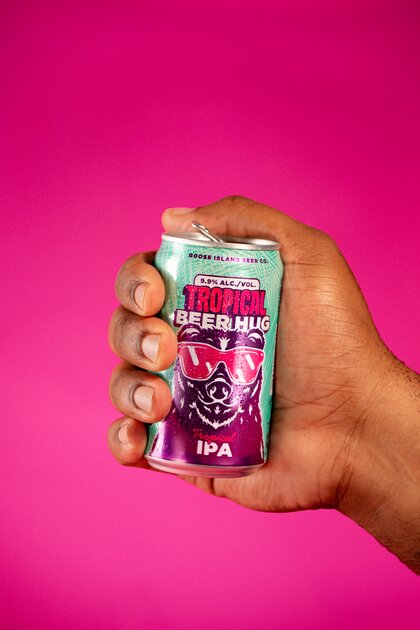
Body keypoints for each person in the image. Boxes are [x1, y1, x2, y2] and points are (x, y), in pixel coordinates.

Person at [107, 196, 420, 574]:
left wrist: (355, 430)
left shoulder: (267, 265)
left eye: (241, 364)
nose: (220, 385)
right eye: (199, 359)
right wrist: (353, 447)